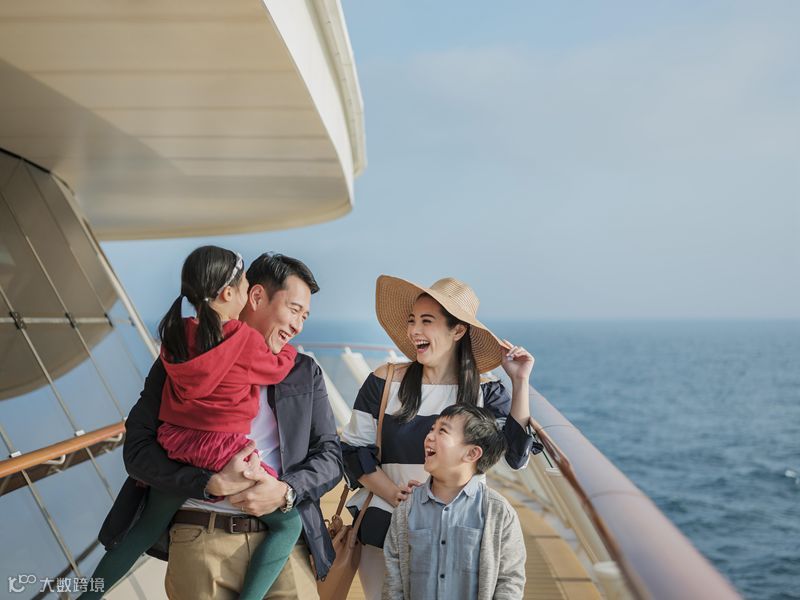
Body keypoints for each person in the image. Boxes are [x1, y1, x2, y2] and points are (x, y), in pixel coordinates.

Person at [97, 252, 342, 599]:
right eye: (293, 310)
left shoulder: (304, 372)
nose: (298, 325)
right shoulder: (178, 361)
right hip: (200, 540)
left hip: (284, 554)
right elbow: (137, 451)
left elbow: (330, 456)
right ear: (256, 296)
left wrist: (286, 491)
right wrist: (207, 483)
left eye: (304, 316)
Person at [341, 275, 541, 599]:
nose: (414, 330)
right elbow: (352, 450)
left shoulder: (485, 391)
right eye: (412, 321)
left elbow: (516, 458)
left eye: (426, 321)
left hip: (461, 531)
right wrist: (395, 495)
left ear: (457, 330)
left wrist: (519, 382)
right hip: (386, 522)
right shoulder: (385, 381)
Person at [383, 404, 526, 599]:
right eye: (432, 429)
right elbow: (394, 581)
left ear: (472, 454)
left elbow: (510, 580)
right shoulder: (406, 509)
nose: (429, 436)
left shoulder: (499, 512)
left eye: (442, 431)